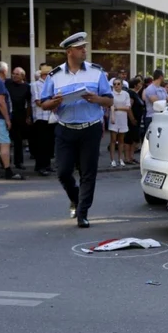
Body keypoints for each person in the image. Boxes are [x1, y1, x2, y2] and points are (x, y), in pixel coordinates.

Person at [40, 32, 113, 228]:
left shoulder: (96, 72)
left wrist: (95, 99)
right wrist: (52, 102)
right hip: (65, 129)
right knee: (63, 172)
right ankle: (76, 198)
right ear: (69, 52)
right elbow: (43, 103)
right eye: (80, 48)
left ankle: (83, 213)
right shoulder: (55, 76)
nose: (84, 51)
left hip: (90, 129)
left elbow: (109, 100)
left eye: (85, 47)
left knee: (88, 172)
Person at [108, 78, 131, 167]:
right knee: (113, 140)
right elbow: (110, 106)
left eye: (118, 84)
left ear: (121, 85)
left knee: (121, 140)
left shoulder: (126, 94)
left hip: (123, 119)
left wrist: (117, 108)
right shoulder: (111, 94)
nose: (116, 86)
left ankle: (120, 158)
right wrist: (116, 109)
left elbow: (128, 107)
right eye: (114, 84)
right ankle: (112, 159)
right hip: (114, 118)